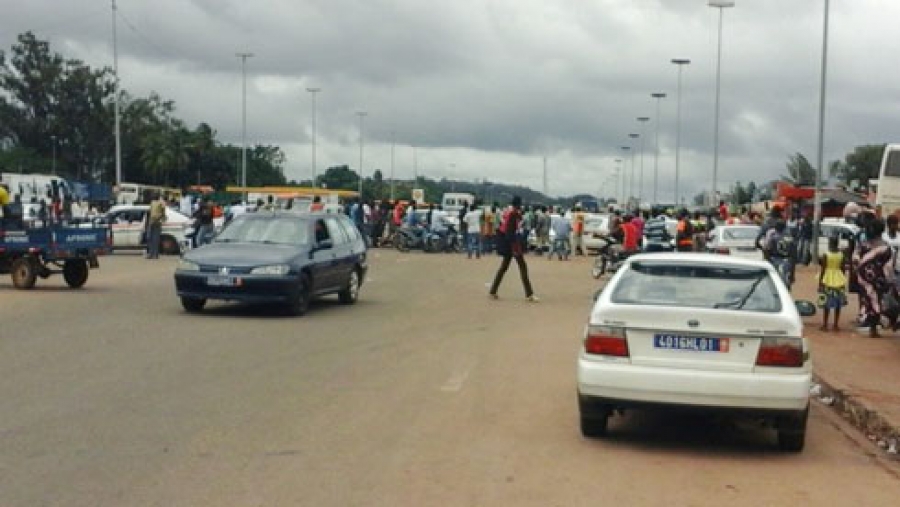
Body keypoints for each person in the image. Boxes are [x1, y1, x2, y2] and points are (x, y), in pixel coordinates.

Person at [489, 196, 537, 302]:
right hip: (512, 245)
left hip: (508, 245)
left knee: (503, 268)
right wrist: (515, 248)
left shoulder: (510, 213)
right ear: (519, 204)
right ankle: (529, 294)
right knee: (522, 267)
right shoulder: (513, 214)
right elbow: (510, 233)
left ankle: (493, 290)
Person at [855, 219, 897, 337]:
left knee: (870, 302)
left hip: (865, 280)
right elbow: (889, 266)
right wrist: (890, 280)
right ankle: (876, 327)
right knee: (878, 301)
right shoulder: (885, 246)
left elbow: (855, 259)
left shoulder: (863, 244)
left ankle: (873, 327)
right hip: (879, 280)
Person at [818, 235, 848, 331]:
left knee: (827, 303)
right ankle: (835, 324)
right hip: (838, 278)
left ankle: (825, 324)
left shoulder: (826, 254)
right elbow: (843, 269)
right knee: (838, 303)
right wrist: (843, 280)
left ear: (830, 243)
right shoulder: (841, 255)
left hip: (828, 278)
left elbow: (823, 269)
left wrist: (820, 283)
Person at [145, 193, 167, 259]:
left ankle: (151, 254)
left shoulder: (152, 203)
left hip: (152, 222)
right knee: (155, 239)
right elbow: (163, 212)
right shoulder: (160, 203)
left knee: (151, 239)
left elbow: (149, 213)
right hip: (157, 222)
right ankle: (155, 254)